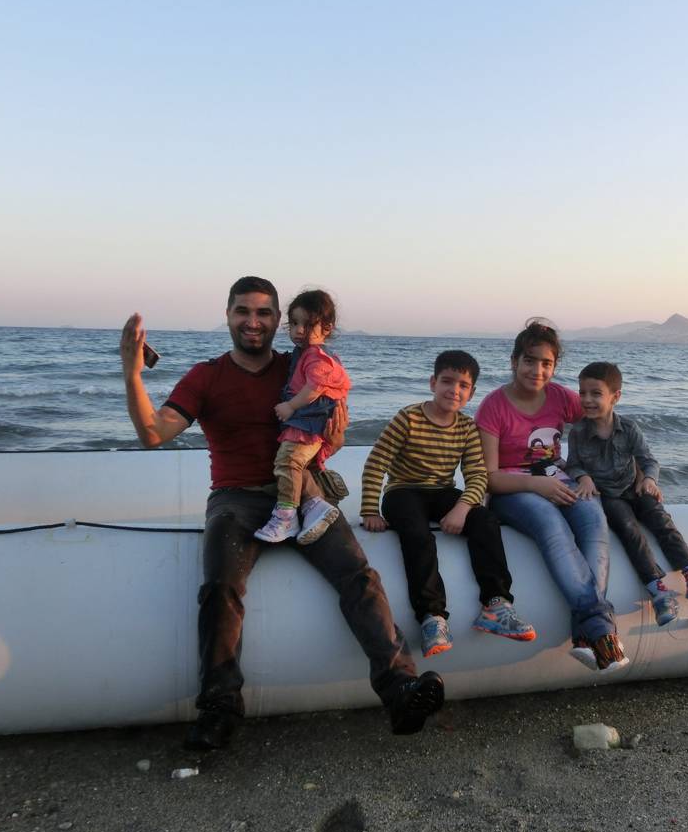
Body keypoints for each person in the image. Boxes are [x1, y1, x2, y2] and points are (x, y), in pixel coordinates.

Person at [119, 276, 444, 750]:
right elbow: (152, 433)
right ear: (228, 316)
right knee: (221, 588)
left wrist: (333, 437)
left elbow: (328, 437)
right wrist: (131, 373)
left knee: (359, 576)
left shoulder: (302, 369)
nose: (253, 321)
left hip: (304, 490)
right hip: (236, 498)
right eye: (243, 312)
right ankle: (220, 708)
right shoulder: (206, 376)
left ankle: (400, 689)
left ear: (280, 320)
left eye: (264, 313)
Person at [474, 320, 628, 672]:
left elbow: (601, 416)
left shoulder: (561, 397)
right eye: (529, 360)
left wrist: (602, 469)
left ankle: (586, 636)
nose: (537, 370)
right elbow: (491, 477)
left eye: (547, 363)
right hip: (515, 489)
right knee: (551, 524)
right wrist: (535, 485)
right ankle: (602, 626)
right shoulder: (493, 407)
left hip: (560, 479)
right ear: (514, 362)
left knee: (593, 516)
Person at [360, 350, 536, 657]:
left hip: (441, 491)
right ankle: (432, 617)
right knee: (418, 535)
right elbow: (376, 463)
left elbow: (478, 476)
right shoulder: (408, 418)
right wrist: (370, 510)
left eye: (462, 385)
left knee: (485, 520)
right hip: (403, 491)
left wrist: (463, 508)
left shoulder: (467, 429)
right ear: (432, 383)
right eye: (447, 381)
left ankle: (496, 604)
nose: (453, 390)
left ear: (471, 393)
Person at [566, 361, 688, 626]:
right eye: (582, 393)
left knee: (660, 519)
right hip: (609, 497)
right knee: (629, 531)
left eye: (596, 393)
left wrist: (649, 480)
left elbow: (648, 460)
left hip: (634, 488)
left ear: (616, 396)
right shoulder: (579, 432)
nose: (587, 400)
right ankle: (657, 590)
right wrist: (584, 478)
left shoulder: (629, 429)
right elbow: (573, 464)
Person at [255, 289, 351, 544]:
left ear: (327, 328)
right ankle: (314, 506)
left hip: (308, 421)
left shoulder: (316, 356)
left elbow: (315, 386)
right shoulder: (306, 354)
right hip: (309, 422)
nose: (298, 331)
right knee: (296, 465)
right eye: (294, 323)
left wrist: (290, 406)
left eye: (307, 325)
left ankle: (286, 515)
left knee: (288, 463)